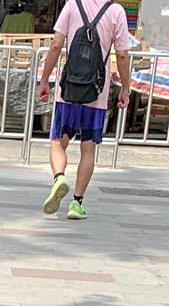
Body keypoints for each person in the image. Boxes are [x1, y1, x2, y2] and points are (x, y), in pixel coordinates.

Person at [34, 0, 134, 219]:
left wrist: (44, 80)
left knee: (58, 141)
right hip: (96, 91)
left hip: (69, 87)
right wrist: (125, 89)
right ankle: (77, 203)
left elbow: (56, 44)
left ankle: (59, 176)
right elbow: (123, 54)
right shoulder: (116, 11)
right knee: (88, 148)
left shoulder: (72, 5)